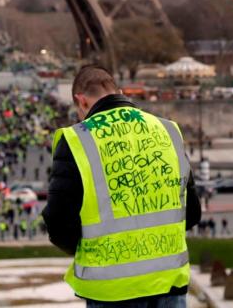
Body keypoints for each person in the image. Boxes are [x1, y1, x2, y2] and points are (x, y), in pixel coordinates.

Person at [43, 65, 201, 307]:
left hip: (112, 288)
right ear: (119, 91)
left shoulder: (77, 140)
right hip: (168, 283)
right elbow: (191, 212)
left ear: (81, 101)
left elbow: (57, 221)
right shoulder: (167, 130)